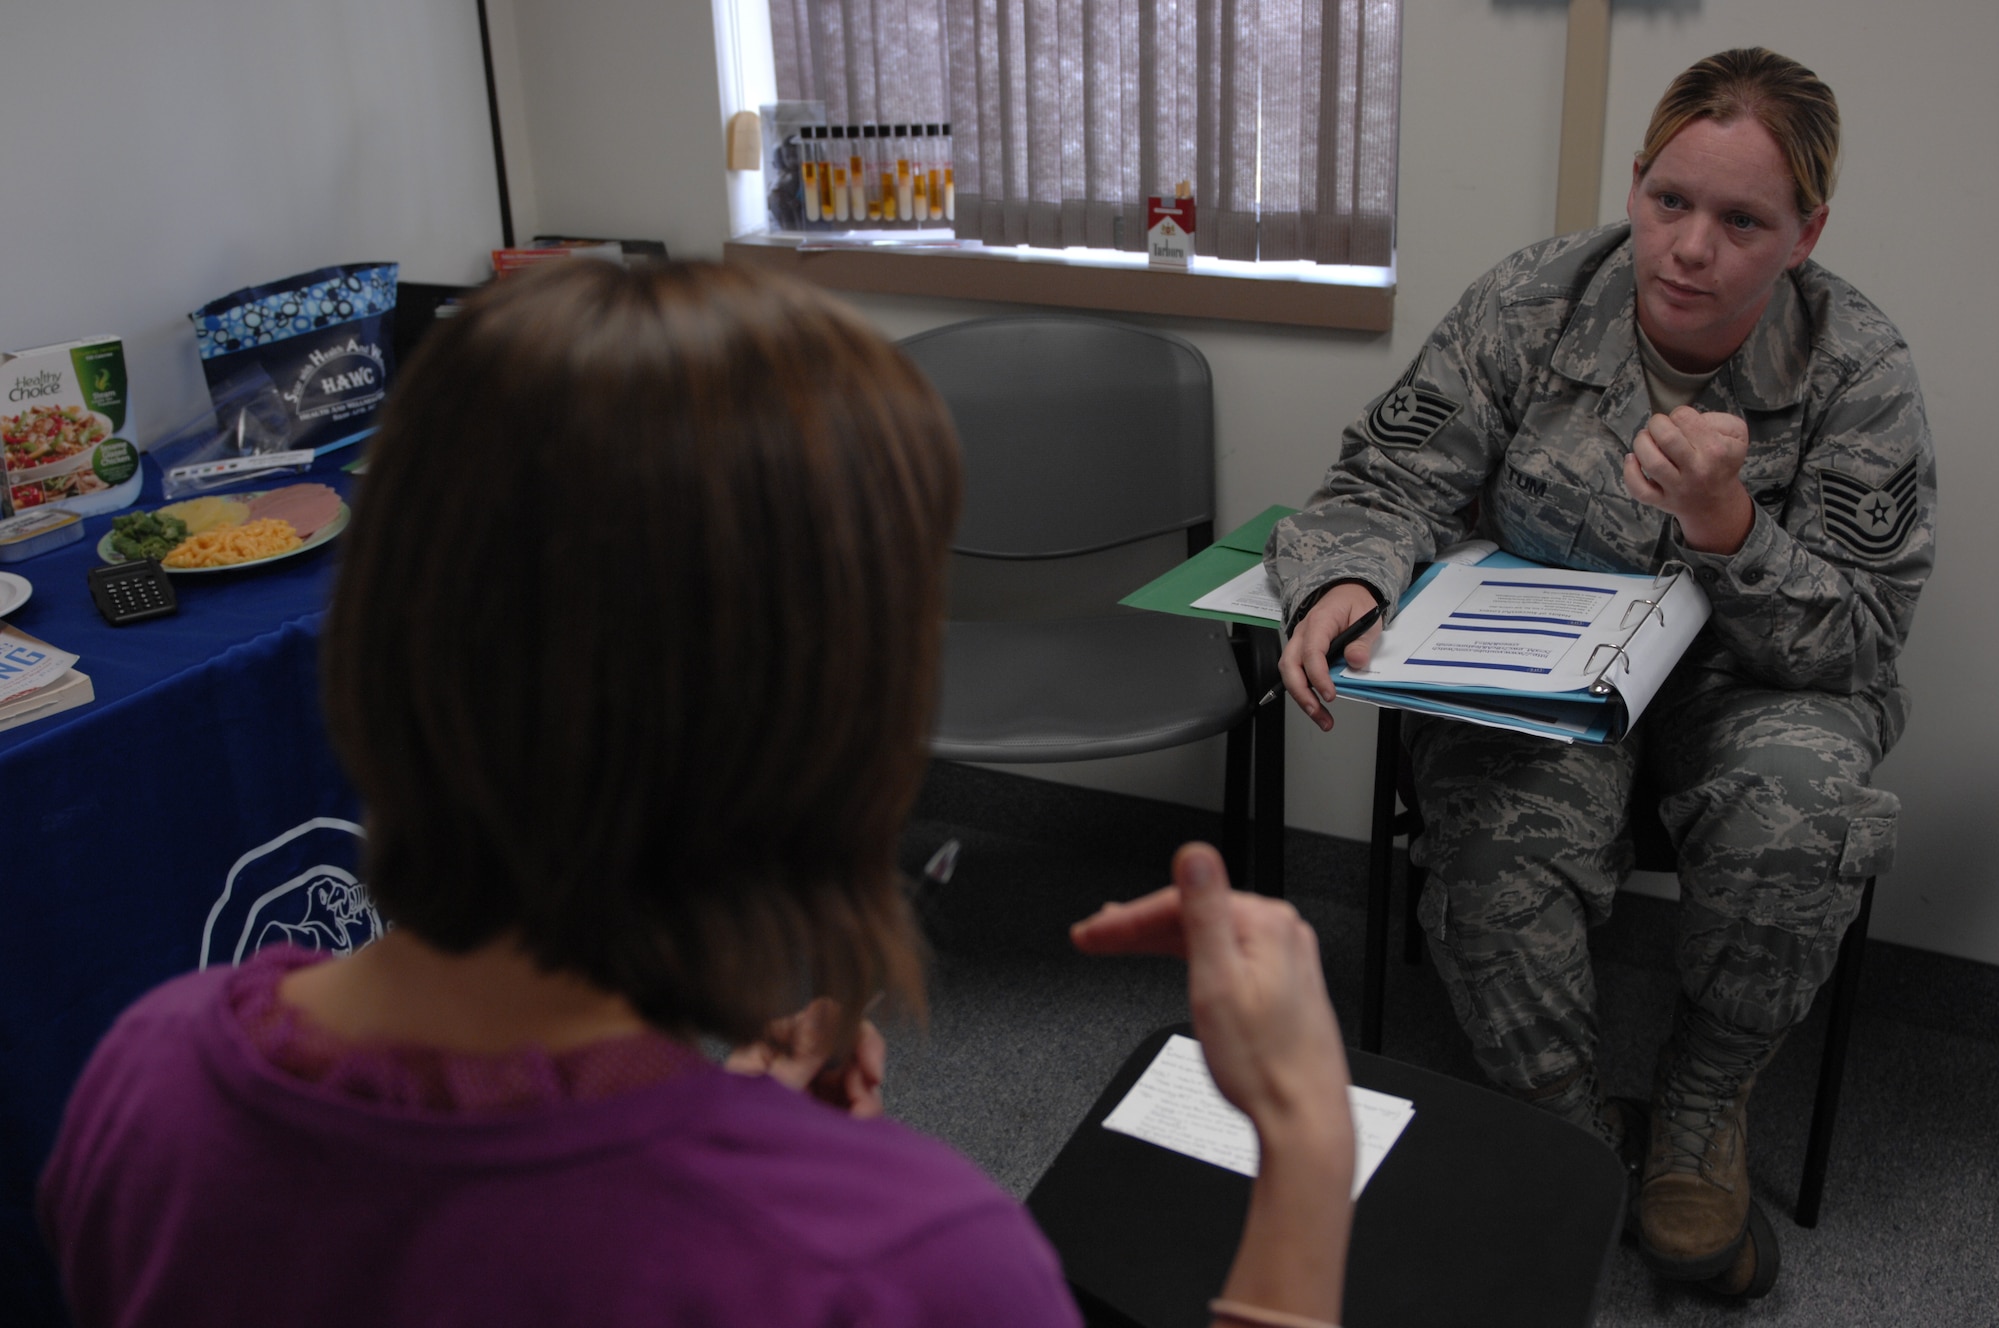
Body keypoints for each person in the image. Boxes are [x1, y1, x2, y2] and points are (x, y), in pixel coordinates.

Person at [39, 259, 1357, 1328]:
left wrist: (730, 1147)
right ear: (822, 721)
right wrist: (1302, 1145)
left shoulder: (143, 1083)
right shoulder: (907, 1270)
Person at [1266, 48, 1933, 1298]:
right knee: (1488, 831)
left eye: (1742, 221)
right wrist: (1346, 577)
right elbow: (1384, 480)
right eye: (1669, 201)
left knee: (1802, 811)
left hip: (1752, 686)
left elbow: (1853, 638)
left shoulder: (1856, 367)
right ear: (1634, 183)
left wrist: (1730, 525)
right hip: (1548, 671)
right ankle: (1567, 1125)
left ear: (1805, 232)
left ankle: (1695, 1112)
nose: (1690, 247)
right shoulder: (1533, 299)